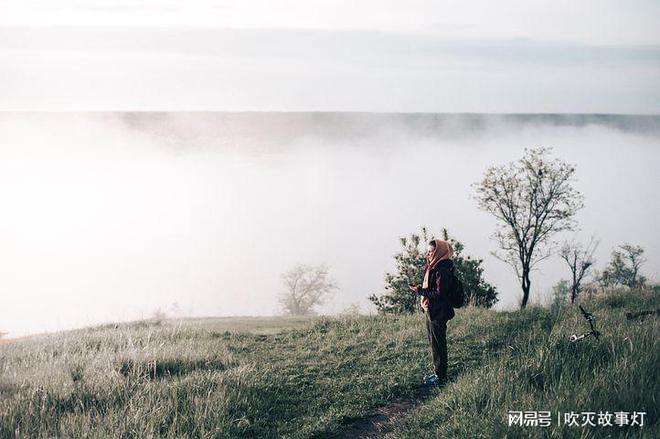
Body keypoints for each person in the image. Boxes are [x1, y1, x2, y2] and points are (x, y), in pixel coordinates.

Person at [409, 239, 455, 386]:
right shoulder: (434, 266)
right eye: (428, 251)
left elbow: (439, 293)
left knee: (438, 343)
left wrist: (420, 291)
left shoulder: (443, 269)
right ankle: (438, 373)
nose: (428, 254)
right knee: (434, 342)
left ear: (439, 252)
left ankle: (441, 377)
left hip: (439, 311)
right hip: (432, 310)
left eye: (431, 252)